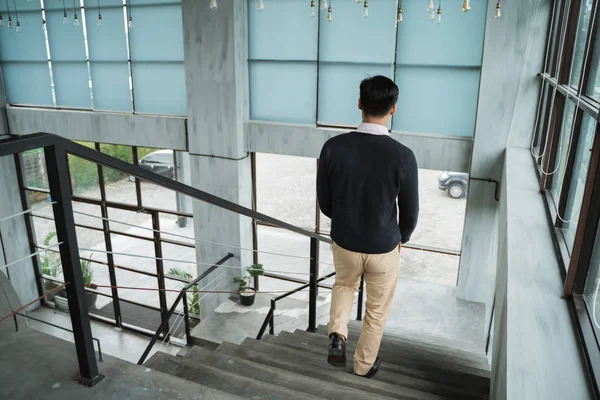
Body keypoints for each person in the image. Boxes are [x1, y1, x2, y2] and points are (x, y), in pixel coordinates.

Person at [317, 75, 419, 378]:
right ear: (393, 109)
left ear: (359, 104)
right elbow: (410, 211)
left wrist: (346, 222)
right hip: (384, 247)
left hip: (346, 242)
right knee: (376, 309)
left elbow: (325, 204)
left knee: (344, 285)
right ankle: (363, 366)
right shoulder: (403, 156)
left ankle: (337, 333)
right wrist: (403, 236)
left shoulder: (333, 148)